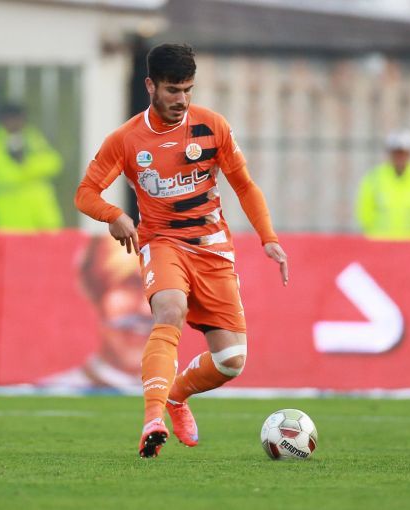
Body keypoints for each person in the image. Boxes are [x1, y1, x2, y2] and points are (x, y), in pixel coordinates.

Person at [75, 43, 288, 458]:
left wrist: (269, 238)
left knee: (231, 361)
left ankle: (175, 396)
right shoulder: (126, 139)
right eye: (173, 90)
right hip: (163, 243)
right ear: (150, 86)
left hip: (212, 248)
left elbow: (244, 186)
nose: (182, 100)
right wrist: (113, 215)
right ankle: (152, 420)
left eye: (188, 89)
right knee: (170, 310)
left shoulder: (212, 127)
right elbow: (85, 193)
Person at [41, 236, 152, 390]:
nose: (146, 309)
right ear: (94, 293)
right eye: (130, 285)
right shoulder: (56, 393)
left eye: (162, 289)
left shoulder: (183, 393)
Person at [0, 104, 63, 232]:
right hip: (12, 218)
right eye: (11, 119)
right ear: (3, 120)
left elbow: (54, 163)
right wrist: (34, 169)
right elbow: (6, 176)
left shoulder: (32, 137)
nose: (16, 124)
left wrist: (23, 165)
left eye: (19, 119)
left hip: (43, 217)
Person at [356, 129, 410, 240]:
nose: (399, 157)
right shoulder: (373, 178)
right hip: (381, 243)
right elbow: (364, 215)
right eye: (396, 152)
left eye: (403, 152)